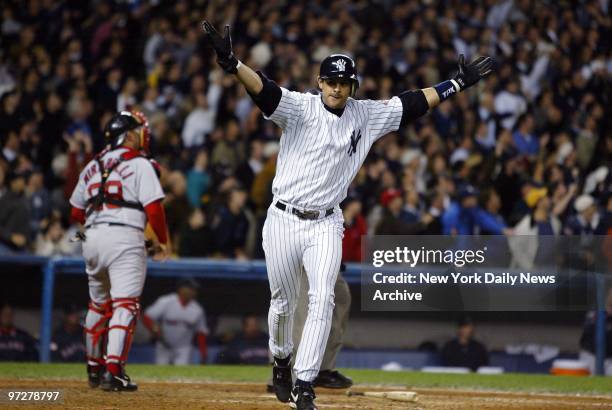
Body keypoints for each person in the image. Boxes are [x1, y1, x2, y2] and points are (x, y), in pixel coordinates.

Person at [203, 21, 493, 410]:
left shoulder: (365, 115)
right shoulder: (300, 107)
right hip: (284, 218)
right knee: (282, 305)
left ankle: (305, 384)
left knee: (323, 297)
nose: (338, 88)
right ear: (320, 82)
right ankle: (281, 361)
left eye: (344, 82)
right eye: (331, 81)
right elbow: (265, 90)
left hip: (326, 221)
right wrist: (233, 62)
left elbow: (412, 103)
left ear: (353, 85)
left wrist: (455, 84)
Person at [69, 110, 170, 391]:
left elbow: (76, 210)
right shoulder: (140, 163)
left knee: (98, 305)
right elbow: (154, 208)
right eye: (138, 130)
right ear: (129, 134)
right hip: (124, 236)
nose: (143, 134)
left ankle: (93, 366)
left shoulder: (93, 164)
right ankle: (113, 370)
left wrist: (98, 225)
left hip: (91, 236)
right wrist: (162, 241)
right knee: (125, 305)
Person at [142, 278, 209, 365]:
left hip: (183, 347)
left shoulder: (197, 309)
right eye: (190, 289)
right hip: (164, 344)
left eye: (194, 290)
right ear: (181, 289)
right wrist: (153, 328)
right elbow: (147, 316)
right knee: (160, 370)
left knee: (182, 373)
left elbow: (201, 332)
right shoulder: (166, 301)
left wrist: (203, 354)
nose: (192, 292)